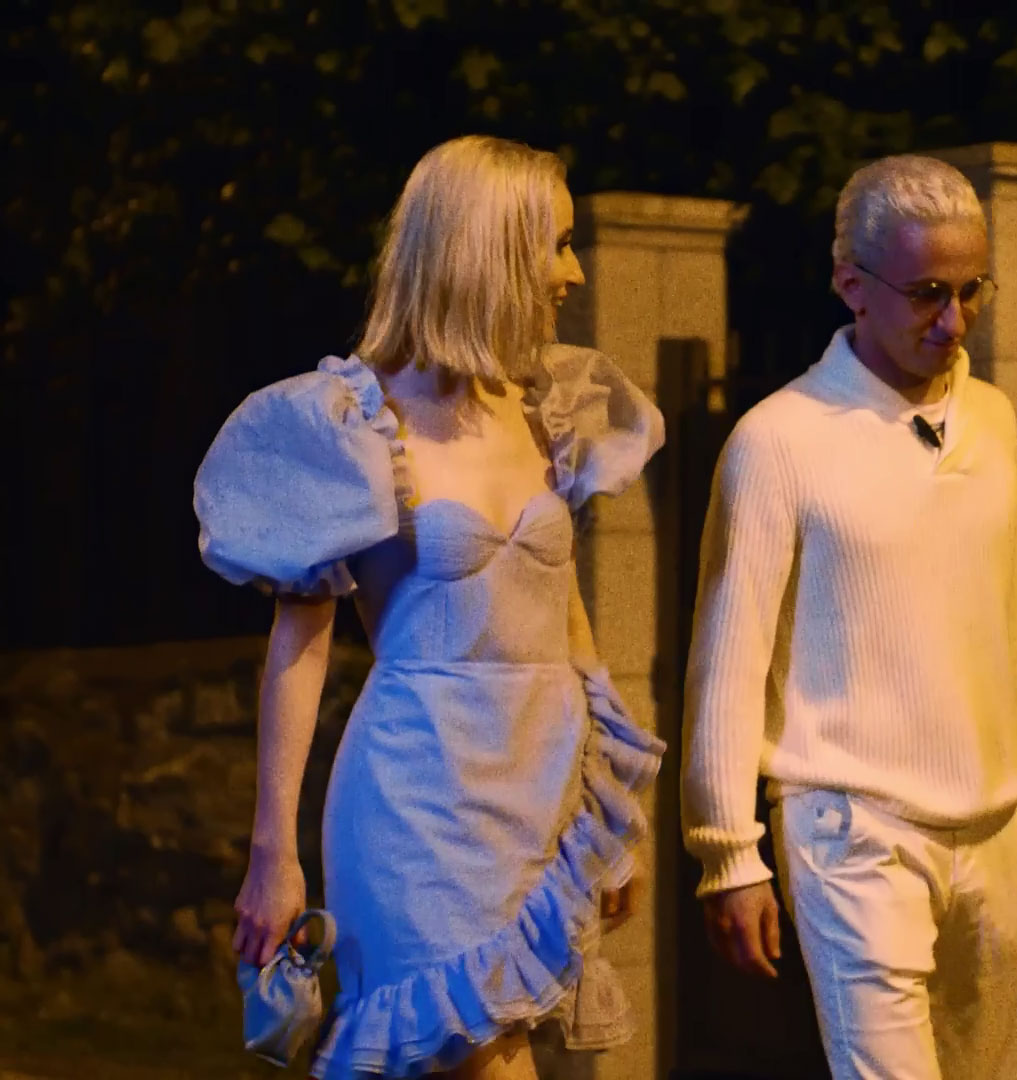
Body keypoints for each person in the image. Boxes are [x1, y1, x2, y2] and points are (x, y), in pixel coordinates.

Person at [195, 135, 667, 1080]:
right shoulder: (353, 423)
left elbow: (567, 625)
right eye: (557, 243)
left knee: (498, 1053)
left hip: (537, 795)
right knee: (485, 1062)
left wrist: (606, 820)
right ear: (489, 250)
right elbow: (299, 647)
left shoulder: (544, 410)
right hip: (415, 802)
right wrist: (272, 856)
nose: (573, 272)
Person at [680, 154, 1017, 1080]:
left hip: (992, 829)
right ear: (850, 285)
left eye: (972, 289)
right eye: (928, 293)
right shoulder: (778, 439)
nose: (955, 320)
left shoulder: (993, 418)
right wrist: (728, 855)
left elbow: (997, 620)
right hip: (850, 824)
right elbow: (728, 664)